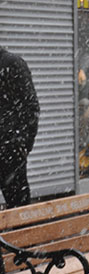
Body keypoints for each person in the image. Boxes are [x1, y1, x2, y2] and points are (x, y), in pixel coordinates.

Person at [0, 47, 40, 208]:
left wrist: (22, 144)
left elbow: (31, 108)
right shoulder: (12, 64)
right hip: (11, 148)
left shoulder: (12, 64)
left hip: (10, 151)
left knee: (19, 210)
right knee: (19, 209)